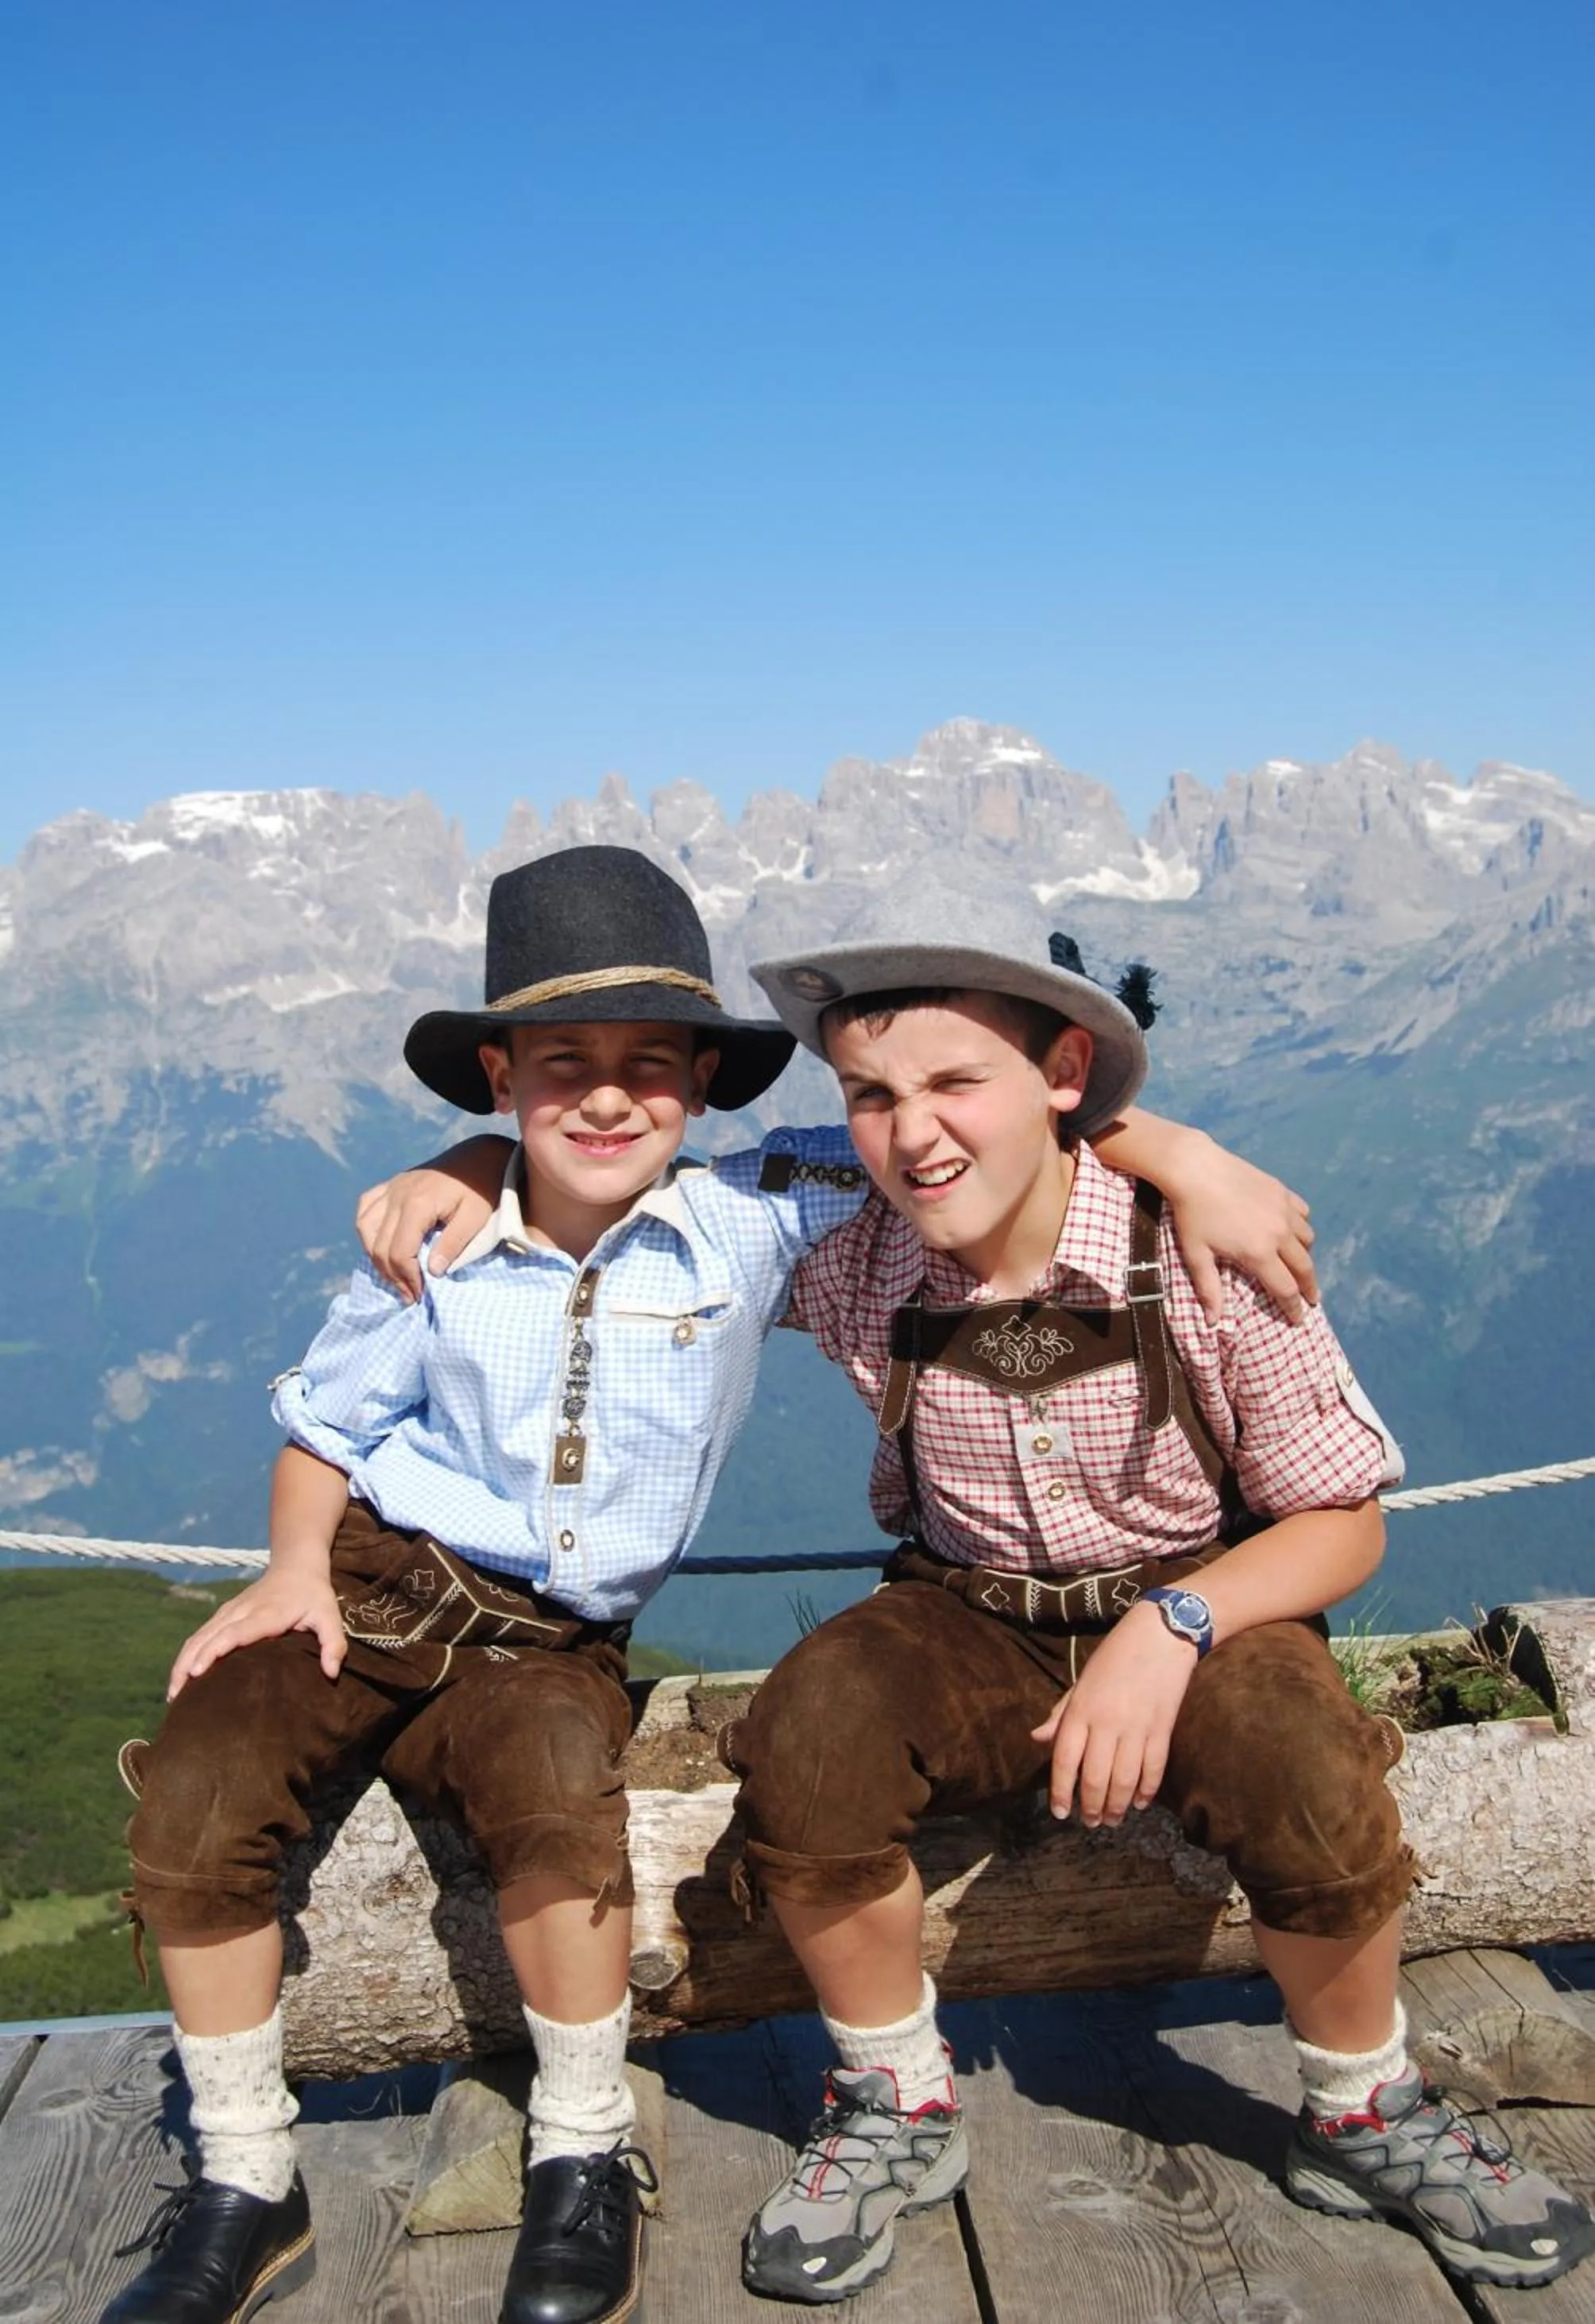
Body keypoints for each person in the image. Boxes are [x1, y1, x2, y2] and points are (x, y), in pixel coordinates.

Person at [105, 847, 1306, 2324]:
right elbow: (327, 1426)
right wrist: (297, 1565)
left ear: (699, 1084)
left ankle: (583, 2149)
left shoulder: (756, 1211)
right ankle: (242, 2176)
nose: (607, 1098)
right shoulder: (438, 1240)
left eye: (646, 1065)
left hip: (551, 1633)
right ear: (500, 1077)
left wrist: (1182, 1153)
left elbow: (957, 1137)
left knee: (558, 1797)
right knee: (200, 1794)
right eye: (562, 1068)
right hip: (370, 1578)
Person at [711, 897, 1595, 2303]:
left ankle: (1362, 2106)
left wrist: (1173, 1625)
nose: (912, 1133)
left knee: (1304, 1761)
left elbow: (1344, 1522)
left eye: (955, 1084)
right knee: (809, 1728)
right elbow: (624, 1176)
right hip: (966, 1605)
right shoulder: (849, 1234)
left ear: (1062, 1080)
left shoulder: (1201, 1250)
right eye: (872, 1097)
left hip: (1206, 1593)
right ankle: (894, 2097)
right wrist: (466, 1167)